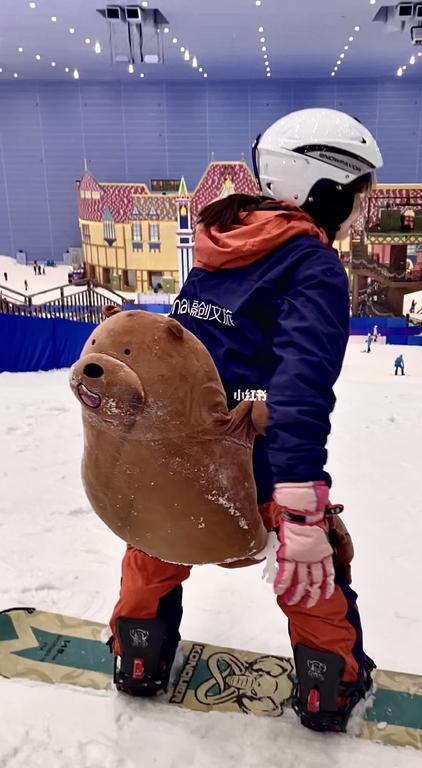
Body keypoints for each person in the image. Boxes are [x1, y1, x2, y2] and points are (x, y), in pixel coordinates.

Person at [109, 108, 383, 732]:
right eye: (355, 194)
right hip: (252, 457)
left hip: (178, 450)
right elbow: (300, 390)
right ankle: (329, 686)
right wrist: (300, 502)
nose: (358, 211)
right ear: (322, 186)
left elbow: (183, 353)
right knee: (309, 566)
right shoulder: (309, 265)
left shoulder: (219, 247)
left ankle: (138, 657)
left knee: (157, 541)